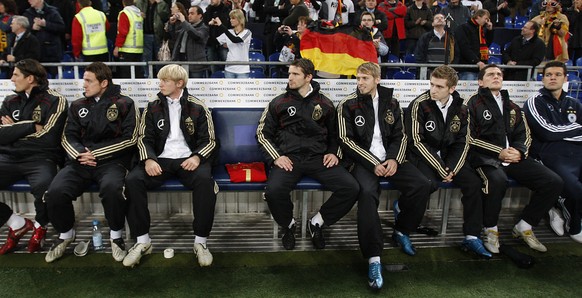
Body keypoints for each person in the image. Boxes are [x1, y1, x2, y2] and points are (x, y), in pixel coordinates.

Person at [337, 62, 431, 289]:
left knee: (423, 184)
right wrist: (372, 163)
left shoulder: (392, 103)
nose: (360, 83)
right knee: (367, 193)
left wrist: (393, 159)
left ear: (377, 79)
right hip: (363, 161)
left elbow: (401, 136)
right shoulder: (347, 105)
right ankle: (373, 258)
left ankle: (402, 229)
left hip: (390, 158)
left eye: (365, 79)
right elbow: (346, 140)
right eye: (358, 78)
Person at [256, 58, 360, 253]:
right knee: (273, 191)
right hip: (289, 159)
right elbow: (262, 134)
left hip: (317, 158)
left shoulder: (326, 104)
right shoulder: (278, 103)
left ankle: (317, 223)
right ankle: (288, 225)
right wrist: (277, 157)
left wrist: (333, 153)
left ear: (308, 77)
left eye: (295, 74)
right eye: (289, 74)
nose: (290, 78)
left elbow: (337, 135)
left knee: (351, 187)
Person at [44, 62, 139, 263]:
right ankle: (66, 234)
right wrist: (79, 154)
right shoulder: (78, 105)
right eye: (84, 80)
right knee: (55, 192)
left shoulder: (125, 103)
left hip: (112, 162)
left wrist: (95, 153)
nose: (83, 84)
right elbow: (67, 136)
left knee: (113, 189)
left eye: (88, 81)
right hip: (80, 162)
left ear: (104, 82)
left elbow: (131, 138)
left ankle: (116, 236)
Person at [124, 64, 218, 267]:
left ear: (179, 83)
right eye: (160, 80)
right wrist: (148, 159)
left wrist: (197, 157)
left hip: (188, 159)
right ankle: (142, 241)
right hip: (161, 160)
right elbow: (143, 138)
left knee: (205, 182)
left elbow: (209, 140)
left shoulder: (199, 106)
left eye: (165, 81)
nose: (160, 84)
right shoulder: (152, 106)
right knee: (133, 180)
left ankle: (201, 242)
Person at [466, 64, 563, 254]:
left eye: (499, 74)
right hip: (485, 158)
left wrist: (519, 151)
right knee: (497, 181)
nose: (496, 77)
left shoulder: (512, 105)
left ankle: (525, 225)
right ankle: (490, 229)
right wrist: (498, 151)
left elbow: (524, 134)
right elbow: (469, 138)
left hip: (514, 157)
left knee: (553, 181)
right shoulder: (472, 103)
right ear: (480, 81)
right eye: (491, 74)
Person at [404, 65, 491, 258]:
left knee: (474, 183)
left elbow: (462, 142)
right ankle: (403, 227)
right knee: (427, 185)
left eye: (439, 87)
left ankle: (471, 236)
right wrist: (439, 167)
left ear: (451, 89)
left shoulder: (461, 109)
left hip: (449, 160)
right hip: (422, 157)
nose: (433, 90)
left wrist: (451, 168)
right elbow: (416, 142)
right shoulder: (419, 104)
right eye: (432, 84)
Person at [0, 59, 67, 254]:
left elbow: (49, 139)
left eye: (16, 75)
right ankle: (16, 223)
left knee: (45, 187)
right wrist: (30, 126)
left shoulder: (55, 100)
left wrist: (12, 130)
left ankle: (40, 226)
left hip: (41, 158)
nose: (11, 79)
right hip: (9, 156)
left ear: (30, 78)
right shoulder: (9, 101)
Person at [523, 60, 582, 243]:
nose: (552, 78)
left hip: (576, 153)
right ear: (543, 79)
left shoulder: (574, 103)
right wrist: (575, 129)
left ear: (565, 78)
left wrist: (564, 132)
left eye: (557, 74)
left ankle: (556, 207)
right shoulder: (534, 102)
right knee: (575, 188)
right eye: (548, 75)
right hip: (548, 154)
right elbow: (546, 132)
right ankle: (574, 226)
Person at [23, 0, 65, 78]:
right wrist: (32, 28)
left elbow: (61, 28)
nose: (29, 1)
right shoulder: (27, 13)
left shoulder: (52, 12)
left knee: (53, 78)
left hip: (52, 53)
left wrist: (45, 24)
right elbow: (23, 32)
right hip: (35, 54)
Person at [169, 5, 209, 78]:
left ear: (200, 15)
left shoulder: (204, 28)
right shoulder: (186, 26)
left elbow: (196, 36)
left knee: (196, 88)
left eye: (192, 13)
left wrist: (184, 21)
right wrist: (172, 24)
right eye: (189, 13)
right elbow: (174, 36)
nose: (189, 16)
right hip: (182, 61)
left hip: (195, 65)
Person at [210, 9, 251, 78]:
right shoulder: (229, 32)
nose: (230, 20)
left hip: (242, 70)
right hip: (229, 69)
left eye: (233, 18)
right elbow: (213, 41)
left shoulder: (247, 32)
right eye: (230, 18)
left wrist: (221, 25)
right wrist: (212, 26)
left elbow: (235, 40)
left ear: (240, 19)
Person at [454, 9, 493, 80]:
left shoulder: (482, 30)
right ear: (478, 17)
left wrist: (490, 31)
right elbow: (464, 47)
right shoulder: (463, 28)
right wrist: (476, 61)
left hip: (481, 68)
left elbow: (487, 45)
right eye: (486, 19)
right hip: (467, 68)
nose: (487, 21)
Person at [135, 0, 170, 78]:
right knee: (146, 58)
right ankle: (147, 77)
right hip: (145, 34)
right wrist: (139, 15)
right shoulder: (140, 3)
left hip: (158, 34)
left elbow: (165, 16)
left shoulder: (162, 3)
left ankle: (161, 77)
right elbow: (134, 14)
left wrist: (160, 4)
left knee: (159, 58)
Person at [114, 0, 144, 78]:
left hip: (127, 49)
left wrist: (117, 46)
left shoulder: (124, 13)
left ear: (123, 2)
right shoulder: (138, 14)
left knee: (126, 75)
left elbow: (123, 32)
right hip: (138, 49)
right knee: (137, 74)